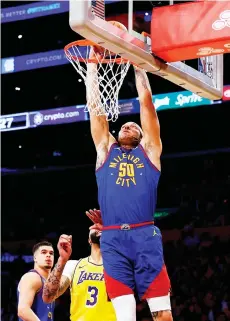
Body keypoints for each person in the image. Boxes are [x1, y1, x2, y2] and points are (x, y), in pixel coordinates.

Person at [86, 47, 173, 321]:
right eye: (125, 125)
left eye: (135, 126)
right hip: (112, 238)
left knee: (162, 314)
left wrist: (140, 65)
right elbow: (95, 109)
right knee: (124, 317)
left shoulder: (150, 151)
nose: (128, 126)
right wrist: (91, 66)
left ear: (141, 135)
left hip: (145, 236)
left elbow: (147, 107)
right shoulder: (105, 149)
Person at [42, 229, 116, 321]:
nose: (98, 226)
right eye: (94, 225)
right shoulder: (74, 265)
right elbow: (48, 297)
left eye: (101, 224)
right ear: (89, 239)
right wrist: (62, 259)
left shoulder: (119, 267)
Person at [17, 241, 55, 321]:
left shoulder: (49, 282)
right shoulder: (32, 277)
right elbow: (23, 310)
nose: (48, 255)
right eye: (43, 252)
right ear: (35, 258)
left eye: (51, 253)